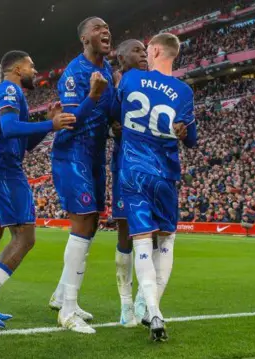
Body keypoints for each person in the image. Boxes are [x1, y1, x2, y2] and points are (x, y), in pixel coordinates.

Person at [0, 50, 76, 328]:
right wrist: (50, 123)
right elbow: (7, 128)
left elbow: (25, 143)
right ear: (17, 69)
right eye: (31, 66)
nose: (35, 70)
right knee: (25, 238)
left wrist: (48, 127)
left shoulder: (13, 95)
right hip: (3, 167)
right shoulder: (8, 90)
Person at [115, 33, 197, 341]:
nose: (144, 54)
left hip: (133, 172)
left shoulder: (131, 78)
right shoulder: (183, 91)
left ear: (157, 50)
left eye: (147, 49)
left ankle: (153, 311)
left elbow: (114, 111)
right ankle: (153, 310)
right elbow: (191, 139)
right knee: (167, 241)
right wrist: (182, 130)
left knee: (142, 242)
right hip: (165, 174)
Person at [49, 16, 115, 334]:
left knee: (92, 224)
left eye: (108, 28)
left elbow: (112, 112)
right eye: (99, 28)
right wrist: (93, 97)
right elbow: (70, 120)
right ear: (85, 38)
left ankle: (62, 294)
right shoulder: (74, 73)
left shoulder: (107, 74)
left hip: (95, 156)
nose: (106, 31)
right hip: (72, 153)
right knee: (84, 218)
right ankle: (68, 310)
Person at [110, 39, 148, 328]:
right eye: (137, 50)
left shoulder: (158, 86)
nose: (143, 54)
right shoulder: (117, 88)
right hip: (125, 166)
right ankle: (126, 304)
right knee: (125, 231)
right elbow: (108, 122)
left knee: (156, 234)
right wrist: (114, 128)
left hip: (154, 168)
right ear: (121, 58)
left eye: (145, 50)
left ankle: (146, 301)